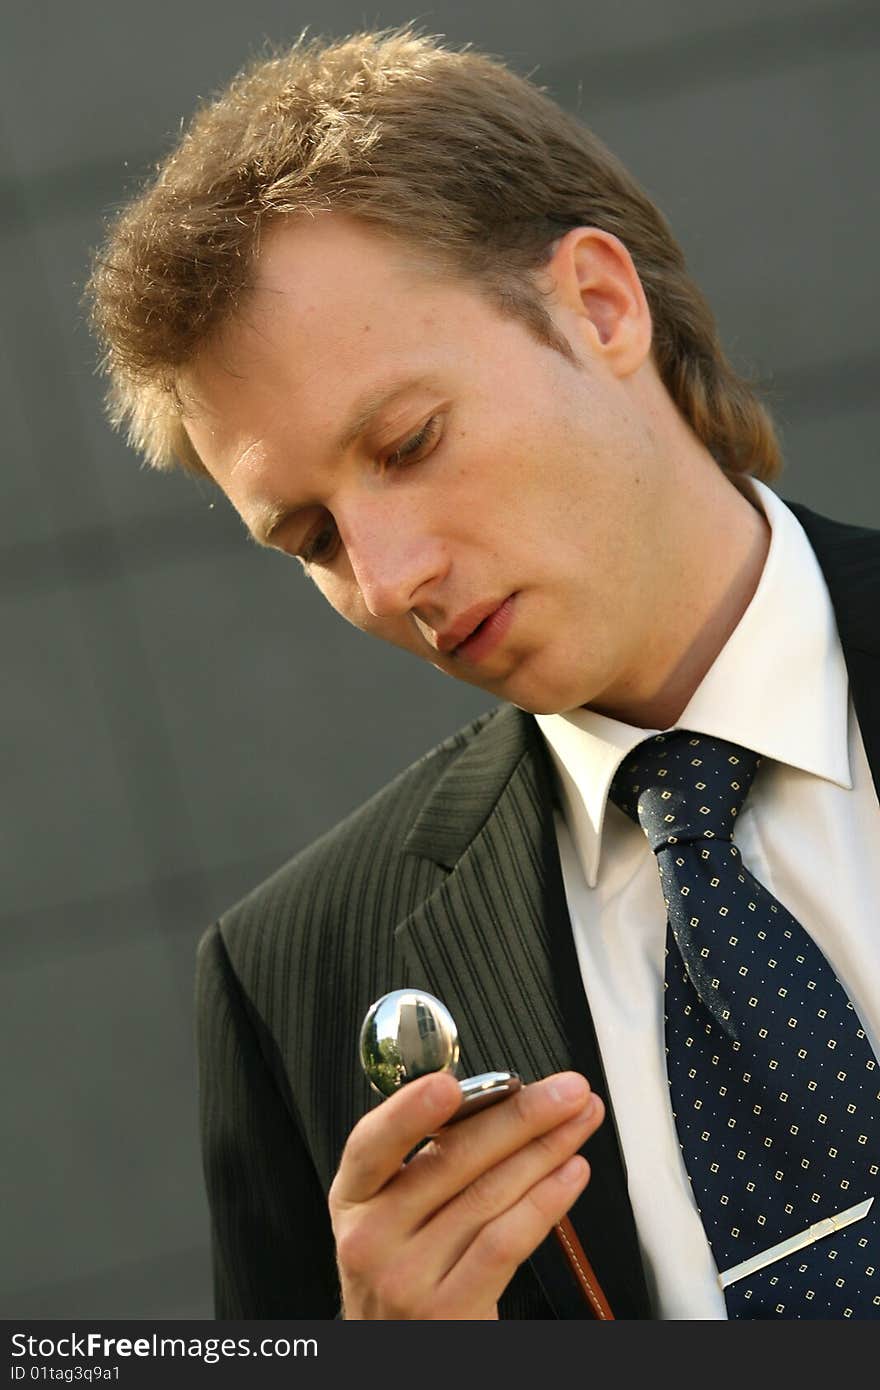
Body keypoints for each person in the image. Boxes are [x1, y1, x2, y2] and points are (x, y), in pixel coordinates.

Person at [86, 28, 880, 1320]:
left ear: (600, 306)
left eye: (408, 441)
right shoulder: (290, 983)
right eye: (312, 539)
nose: (388, 578)